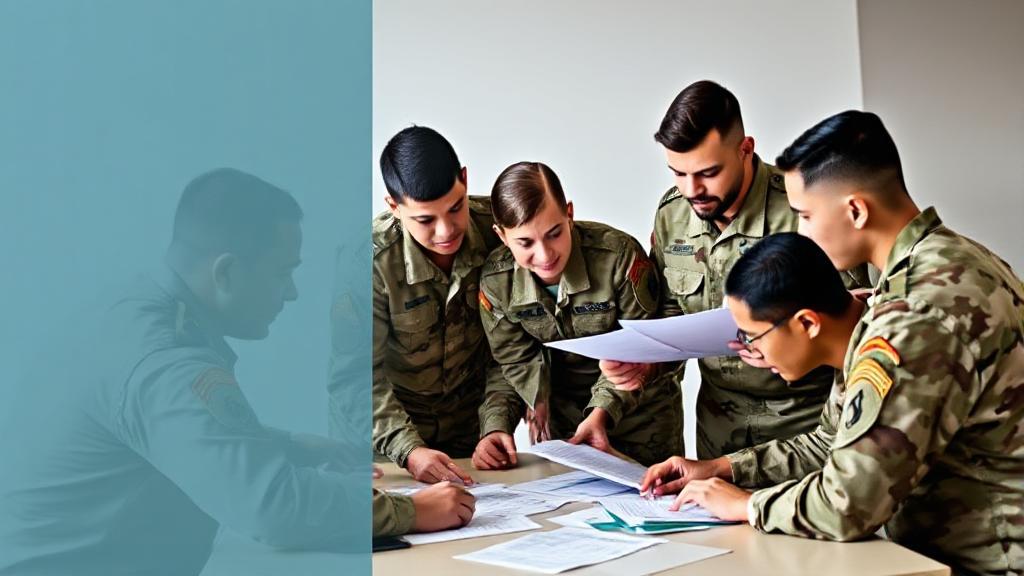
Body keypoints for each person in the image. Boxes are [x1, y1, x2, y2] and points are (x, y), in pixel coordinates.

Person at [0, 168, 475, 576]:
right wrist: (411, 510)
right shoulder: (163, 360)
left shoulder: (135, 311)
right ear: (225, 272)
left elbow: (164, 437)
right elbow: (272, 506)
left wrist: (288, 446)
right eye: (281, 272)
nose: (290, 293)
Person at [643, 112, 1024, 575]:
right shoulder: (949, 261)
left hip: (990, 559)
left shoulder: (916, 312)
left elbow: (849, 502)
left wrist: (748, 506)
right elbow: (836, 438)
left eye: (805, 216)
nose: (801, 233)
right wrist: (725, 469)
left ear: (856, 210)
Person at [603, 80, 869, 457]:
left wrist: (783, 342)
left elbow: (854, 320)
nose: (692, 189)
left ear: (746, 149)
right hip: (718, 431)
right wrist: (645, 366)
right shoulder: (672, 215)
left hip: (807, 429)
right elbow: (672, 314)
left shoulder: (804, 210)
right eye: (678, 173)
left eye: (708, 172)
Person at [475, 161, 681, 468]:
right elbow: (512, 362)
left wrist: (599, 414)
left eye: (554, 233)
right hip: (566, 434)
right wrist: (497, 426)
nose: (545, 255)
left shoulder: (618, 257)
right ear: (502, 236)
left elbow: (641, 352)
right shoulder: (496, 282)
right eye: (525, 243)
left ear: (569, 213)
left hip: (643, 427)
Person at [346, 126, 520, 483]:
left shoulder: (500, 232)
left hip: (471, 440)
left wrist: (496, 425)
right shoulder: (367, 263)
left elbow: (510, 347)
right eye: (425, 219)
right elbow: (355, 377)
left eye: (456, 208)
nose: (446, 231)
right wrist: (409, 451)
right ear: (394, 207)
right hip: (387, 445)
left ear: (465, 179)